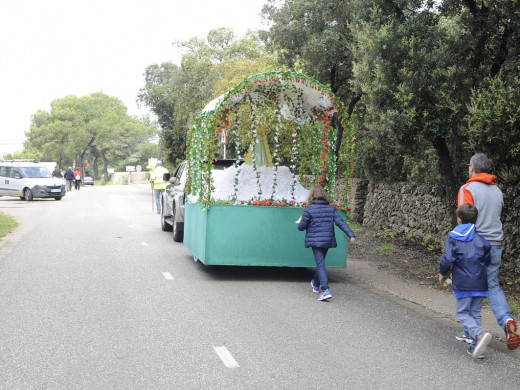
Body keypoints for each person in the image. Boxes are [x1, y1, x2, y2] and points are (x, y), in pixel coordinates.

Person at [457, 153, 520, 351]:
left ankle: (472, 332)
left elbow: (464, 221)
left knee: (470, 286)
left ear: (472, 168)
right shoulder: (498, 191)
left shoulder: (467, 188)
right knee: (492, 286)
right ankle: (507, 320)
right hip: (495, 245)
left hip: (474, 246)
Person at [439, 203, 492, 358]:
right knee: (475, 313)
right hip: (480, 282)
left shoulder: (454, 237)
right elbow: (488, 257)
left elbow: (448, 258)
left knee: (462, 312)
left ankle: (479, 334)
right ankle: (477, 348)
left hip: (463, 282)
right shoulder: (481, 239)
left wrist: (442, 273)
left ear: (459, 220)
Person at [297, 185, 356, 301]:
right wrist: (351, 234)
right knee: (321, 263)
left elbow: (301, 227)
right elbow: (340, 222)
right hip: (327, 240)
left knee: (320, 264)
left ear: (311, 196)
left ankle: (325, 290)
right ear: (324, 195)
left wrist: (300, 222)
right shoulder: (331, 209)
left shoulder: (309, 209)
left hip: (315, 240)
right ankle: (315, 282)